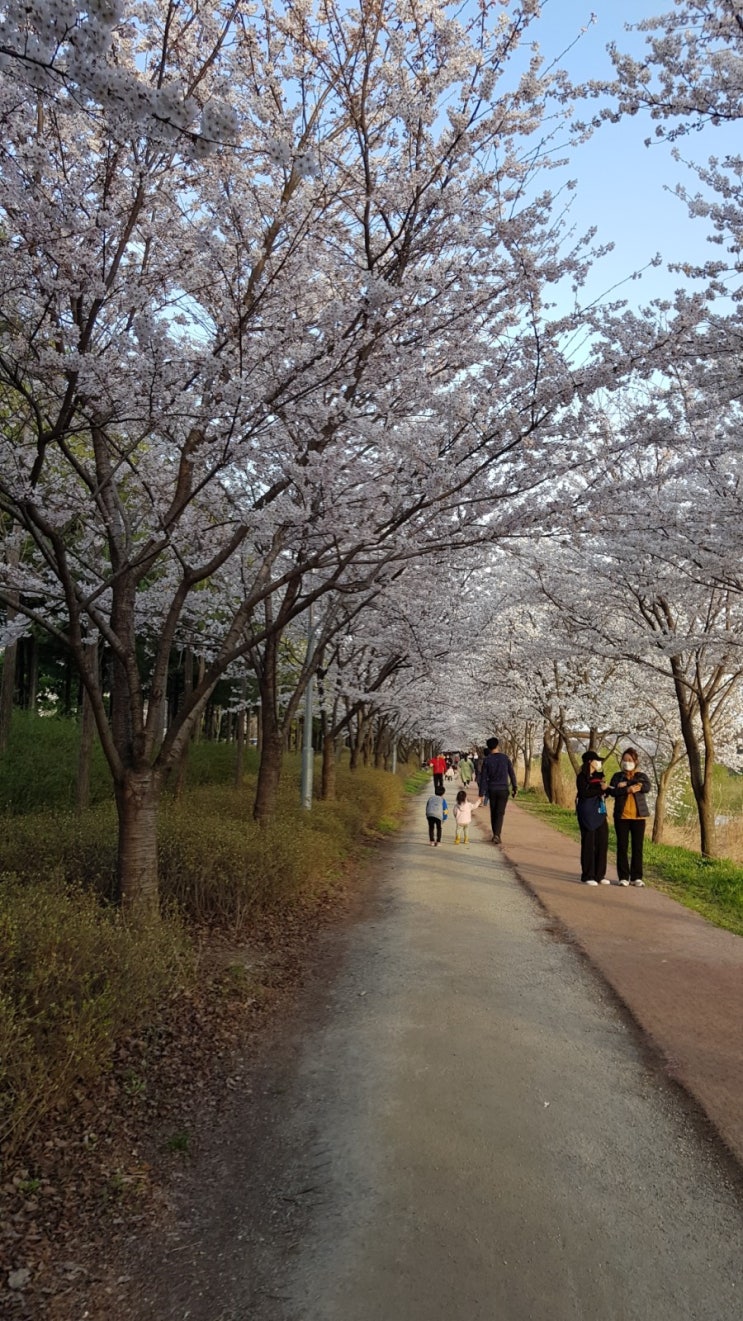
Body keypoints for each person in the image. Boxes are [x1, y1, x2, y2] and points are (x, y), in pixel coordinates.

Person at [607, 747, 651, 887]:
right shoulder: (617, 776)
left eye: (630, 760)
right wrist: (627, 790)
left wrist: (627, 783)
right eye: (625, 760)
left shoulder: (641, 776)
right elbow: (613, 791)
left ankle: (636, 877)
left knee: (637, 847)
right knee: (622, 846)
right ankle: (623, 877)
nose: (627, 763)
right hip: (622, 816)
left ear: (636, 761)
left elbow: (646, 787)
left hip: (639, 817)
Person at [575, 750, 610, 886]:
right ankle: (588, 874)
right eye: (597, 760)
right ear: (590, 761)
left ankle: (600, 874)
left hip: (600, 811)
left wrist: (605, 789)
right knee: (589, 842)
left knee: (602, 842)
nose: (599, 763)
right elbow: (584, 793)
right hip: (587, 812)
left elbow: (604, 793)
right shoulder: (582, 777)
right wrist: (600, 789)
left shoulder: (600, 776)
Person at [478, 737, 517, 843]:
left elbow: (483, 778)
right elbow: (512, 774)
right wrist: (515, 787)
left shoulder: (487, 760)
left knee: (493, 812)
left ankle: (495, 834)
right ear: (497, 746)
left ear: (489, 747)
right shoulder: (505, 758)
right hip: (503, 789)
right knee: (500, 812)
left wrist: (481, 793)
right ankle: (497, 835)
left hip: (492, 789)